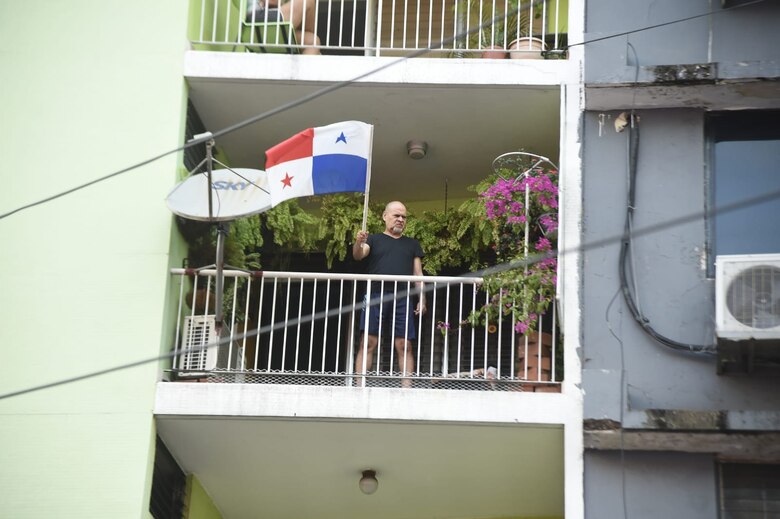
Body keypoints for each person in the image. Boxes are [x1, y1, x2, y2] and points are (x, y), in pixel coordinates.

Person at [353, 201, 426, 387]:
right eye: (396, 215)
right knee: (368, 342)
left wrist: (422, 298)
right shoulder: (375, 239)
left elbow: (418, 274)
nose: (400, 219)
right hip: (375, 293)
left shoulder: (412, 244)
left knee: (405, 344)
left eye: (403, 216)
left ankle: (406, 390)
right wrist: (358, 242)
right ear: (385, 216)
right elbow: (359, 255)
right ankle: (359, 387)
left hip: (402, 296)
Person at [249, 0, 321, 55]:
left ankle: (298, 73)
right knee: (308, 1)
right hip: (257, 16)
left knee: (313, 41)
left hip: (267, 26)